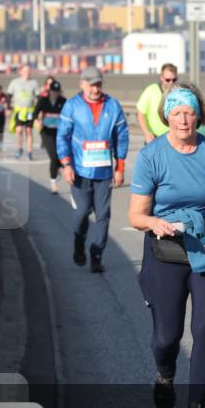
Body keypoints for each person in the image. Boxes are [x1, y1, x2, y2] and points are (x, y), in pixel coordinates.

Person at [129, 85, 205, 408]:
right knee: (167, 336)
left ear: (199, 115)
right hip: (166, 249)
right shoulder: (153, 155)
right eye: (177, 113)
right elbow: (134, 215)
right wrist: (153, 222)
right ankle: (166, 375)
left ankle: (197, 404)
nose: (184, 120)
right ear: (167, 116)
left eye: (189, 112)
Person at [57, 66, 129, 273]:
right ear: (82, 84)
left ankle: (96, 256)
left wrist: (120, 166)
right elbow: (62, 136)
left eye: (98, 84)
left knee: (103, 215)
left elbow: (121, 136)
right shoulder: (72, 106)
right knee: (80, 215)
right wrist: (66, 164)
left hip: (104, 173)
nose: (95, 89)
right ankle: (79, 243)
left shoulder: (113, 106)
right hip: (79, 172)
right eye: (91, 84)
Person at [34, 80, 67, 194]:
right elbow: (34, 113)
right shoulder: (43, 101)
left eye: (57, 92)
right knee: (53, 156)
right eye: (53, 91)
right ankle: (53, 183)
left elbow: (69, 116)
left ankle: (57, 168)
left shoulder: (63, 101)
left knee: (60, 154)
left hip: (60, 132)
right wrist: (37, 121)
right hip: (46, 132)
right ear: (49, 91)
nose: (55, 94)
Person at [135, 63, 178, 144]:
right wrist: (147, 133)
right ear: (161, 78)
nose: (171, 82)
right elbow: (140, 114)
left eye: (174, 80)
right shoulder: (151, 90)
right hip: (154, 138)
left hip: (173, 138)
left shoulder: (179, 93)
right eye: (168, 80)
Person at [7, 65, 39, 160]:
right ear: (21, 72)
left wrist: (39, 110)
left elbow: (38, 96)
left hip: (29, 110)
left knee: (29, 131)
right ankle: (19, 148)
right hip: (19, 110)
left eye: (29, 71)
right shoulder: (15, 82)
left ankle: (29, 152)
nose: (27, 73)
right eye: (25, 71)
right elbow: (8, 95)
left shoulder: (34, 83)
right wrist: (8, 107)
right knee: (19, 130)